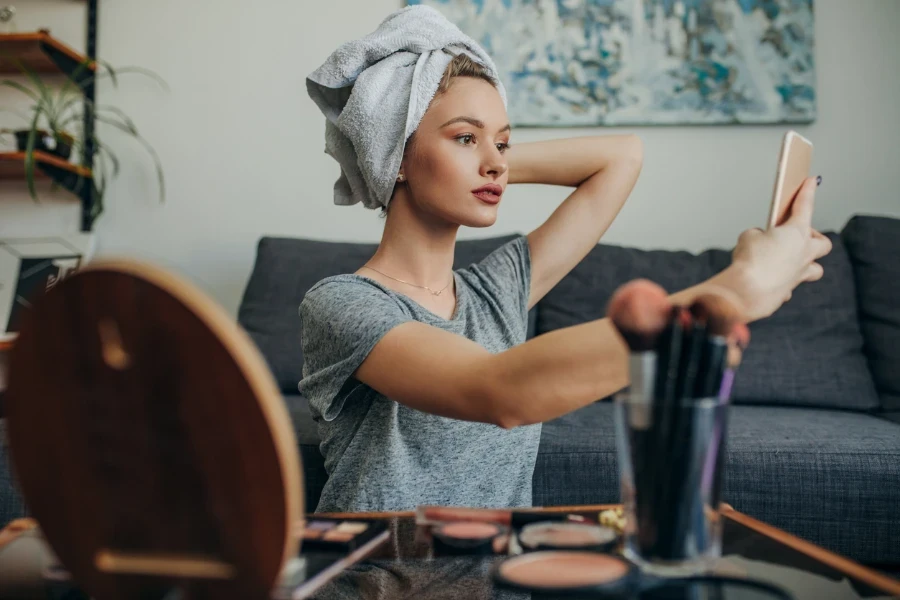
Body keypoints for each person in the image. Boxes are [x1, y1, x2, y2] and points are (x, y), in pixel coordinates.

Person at [299, 7, 831, 513]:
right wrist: (737, 290)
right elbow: (499, 391)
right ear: (395, 158)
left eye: (504, 144)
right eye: (464, 137)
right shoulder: (340, 305)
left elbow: (623, 156)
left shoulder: (496, 290)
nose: (495, 162)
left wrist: (478, 159)